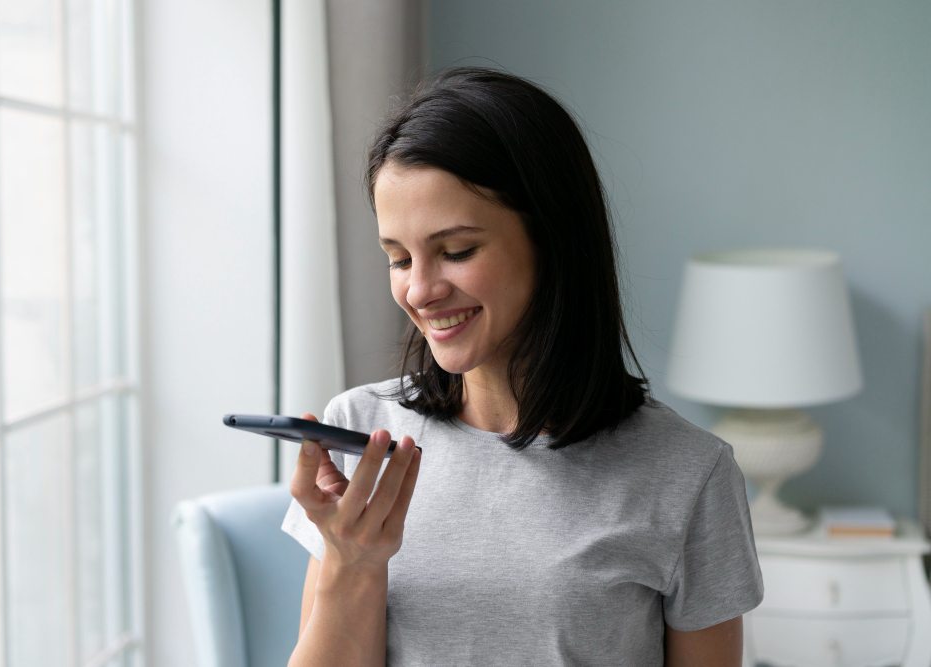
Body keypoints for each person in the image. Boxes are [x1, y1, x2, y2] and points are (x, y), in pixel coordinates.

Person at [282, 66, 763, 666]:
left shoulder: (688, 474)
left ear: (552, 240)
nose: (421, 290)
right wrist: (352, 560)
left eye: (456, 251)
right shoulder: (363, 431)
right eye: (399, 258)